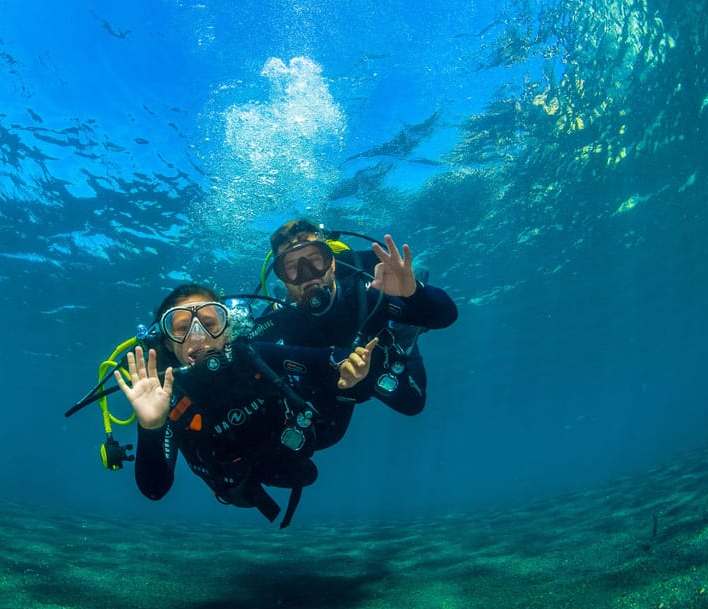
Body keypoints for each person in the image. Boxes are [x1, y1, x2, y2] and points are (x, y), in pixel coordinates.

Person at [114, 283, 377, 528]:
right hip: (237, 482)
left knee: (333, 421)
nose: (197, 336)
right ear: (168, 342)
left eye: (209, 322)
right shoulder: (168, 397)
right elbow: (154, 489)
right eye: (181, 329)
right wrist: (151, 427)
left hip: (292, 447)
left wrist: (349, 368)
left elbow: (325, 360)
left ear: (227, 329)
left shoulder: (253, 356)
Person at [250, 219, 458, 422]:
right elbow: (245, 349)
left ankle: (404, 333)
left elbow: (446, 316)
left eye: (314, 258)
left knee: (413, 403)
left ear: (331, 263)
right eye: (291, 266)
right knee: (320, 437)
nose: (307, 274)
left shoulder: (366, 292)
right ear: (282, 277)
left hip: (381, 365)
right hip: (332, 386)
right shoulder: (281, 315)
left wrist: (413, 293)